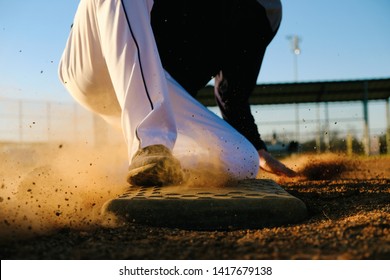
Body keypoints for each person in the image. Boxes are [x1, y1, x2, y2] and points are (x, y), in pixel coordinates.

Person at [58, 0, 296, 187]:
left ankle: (81, 174)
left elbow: (231, 92)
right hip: (95, 52)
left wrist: (257, 148)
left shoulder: (264, 9)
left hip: (156, 86)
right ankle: (150, 145)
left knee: (242, 160)